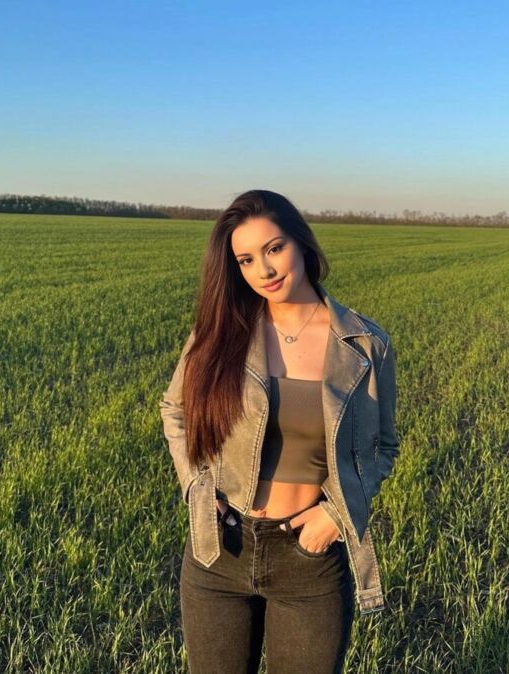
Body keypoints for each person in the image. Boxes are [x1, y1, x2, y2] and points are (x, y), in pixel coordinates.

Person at [159, 189, 400, 674]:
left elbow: (384, 446)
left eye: (274, 248)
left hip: (308, 558)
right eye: (246, 260)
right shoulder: (220, 332)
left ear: (302, 243)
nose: (264, 270)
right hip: (218, 550)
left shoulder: (363, 344)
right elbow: (175, 411)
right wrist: (196, 486)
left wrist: (335, 514)